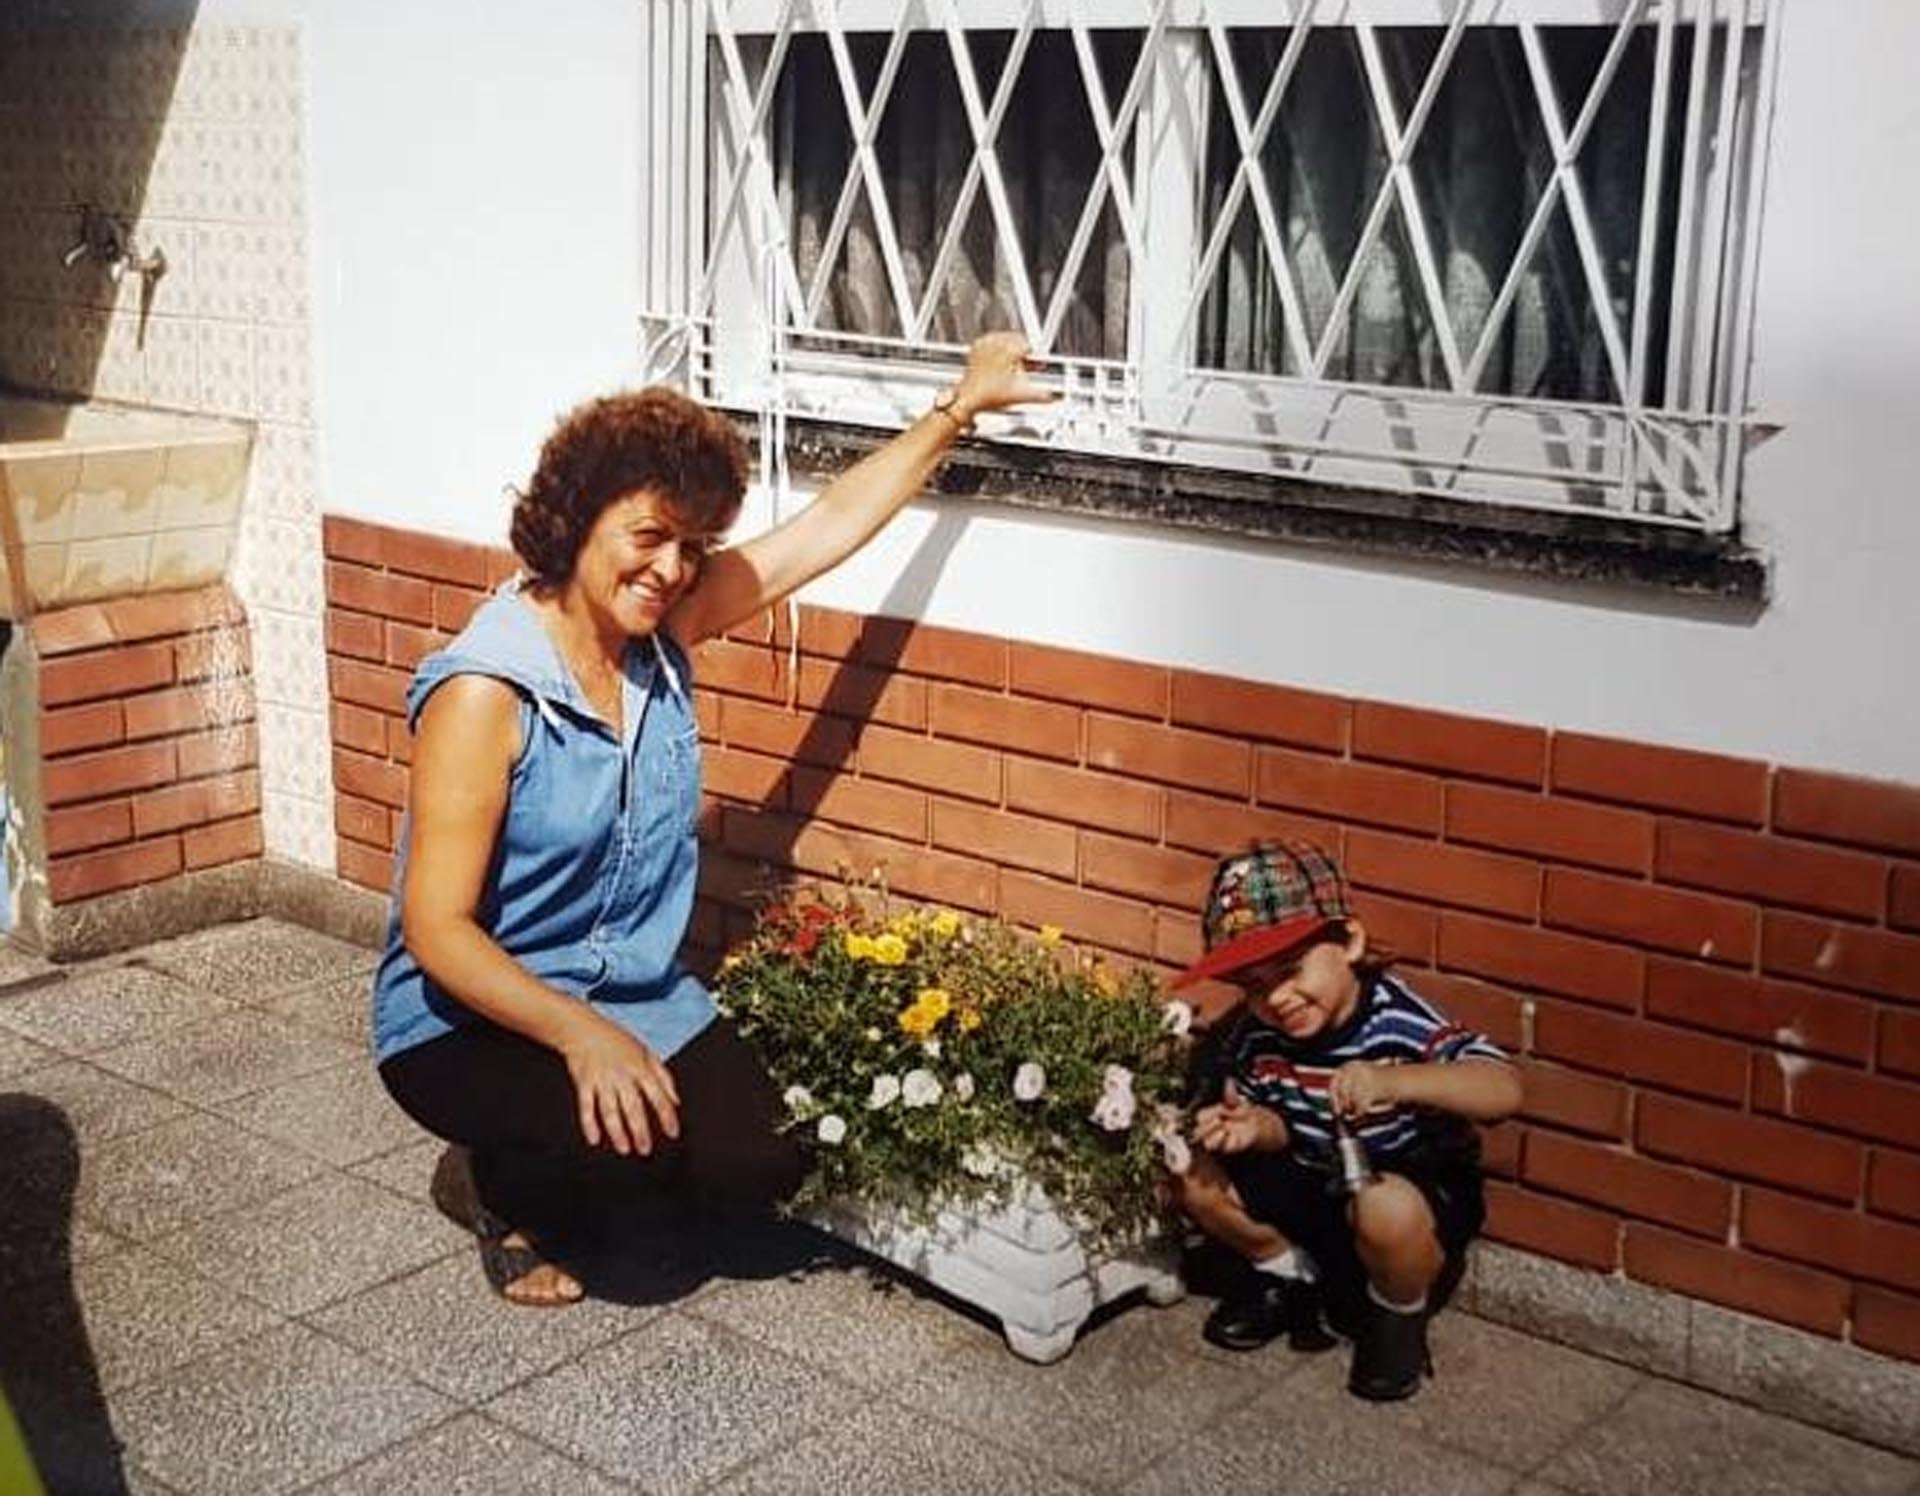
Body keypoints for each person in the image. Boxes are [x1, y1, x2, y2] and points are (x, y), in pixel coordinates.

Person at [372, 333, 1054, 1306]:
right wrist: (579, 1034)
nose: (670, 567)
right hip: (465, 1018)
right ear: (574, 517)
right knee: (621, 1169)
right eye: (648, 534)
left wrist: (958, 407)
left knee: (760, 1162)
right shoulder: (487, 693)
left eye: (692, 545)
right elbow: (437, 931)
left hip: (616, 985)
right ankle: (499, 1176)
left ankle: (565, 1133)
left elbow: (824, 527)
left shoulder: (663, 632)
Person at [1165, 840, 1522, 1400]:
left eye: (1290, 969)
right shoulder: (1260, 1033)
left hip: (1403, 1189)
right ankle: (1286, 1275)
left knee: (1387, 1209)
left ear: (1349, 941)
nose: (1276, 997)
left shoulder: (1397, 1019)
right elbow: (1283, 1122)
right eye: (1253, 986)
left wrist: (1396, 1081)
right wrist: (1256, 1126)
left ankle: (1395, 1320)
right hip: (1315, 1175)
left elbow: (1503, 1089)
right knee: (1183, 1164)